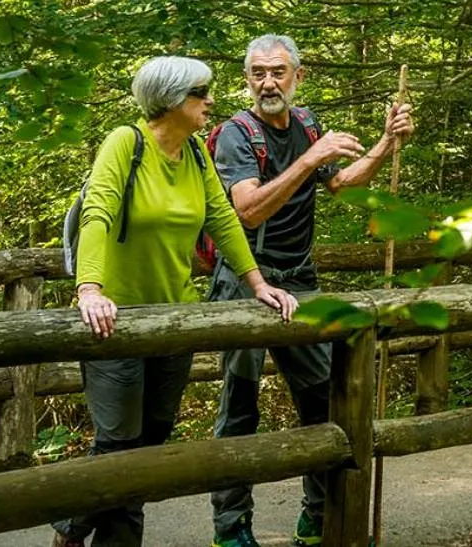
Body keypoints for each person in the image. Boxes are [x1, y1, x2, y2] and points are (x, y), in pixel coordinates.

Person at [52, 56, 299, 547]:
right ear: (169, 100)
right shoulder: (127, 143)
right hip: (115, 320)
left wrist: (257, 284)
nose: (210, 101)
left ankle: (72, 527)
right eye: (199, 93)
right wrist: (90, 290)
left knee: (150, 442)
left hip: (174, 320)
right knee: (120, 443)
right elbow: (97, 212)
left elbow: (223, 220)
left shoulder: (195, 154)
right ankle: (75, 529)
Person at [209, 34, 414, 547]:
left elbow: (342, 182)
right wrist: (308, 159)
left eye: (278, 71)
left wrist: (387, 142)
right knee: (240, 404)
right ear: (247, 79)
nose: (267, 82)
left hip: (299, 280)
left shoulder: (305, 124)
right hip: (246, 280)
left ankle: (317, 517)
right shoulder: (239, 134)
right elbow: (247, 210)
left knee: (323, 396)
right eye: (258, 73)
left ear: (297, 76)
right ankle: (231, 527)